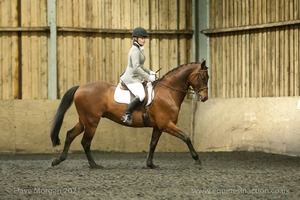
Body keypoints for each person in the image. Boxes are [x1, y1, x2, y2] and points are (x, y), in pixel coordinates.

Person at [120, 27, 156, 125]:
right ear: (135, 38)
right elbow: (136, 68)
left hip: (136, 77)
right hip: (131, 78)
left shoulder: (139, 49)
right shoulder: (135, 50)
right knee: (141, 95)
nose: (144, 40)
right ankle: (126, 114)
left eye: (144, 38)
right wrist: (148, 78)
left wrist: (150, 72)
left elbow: (141, 66)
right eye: (142, 38)